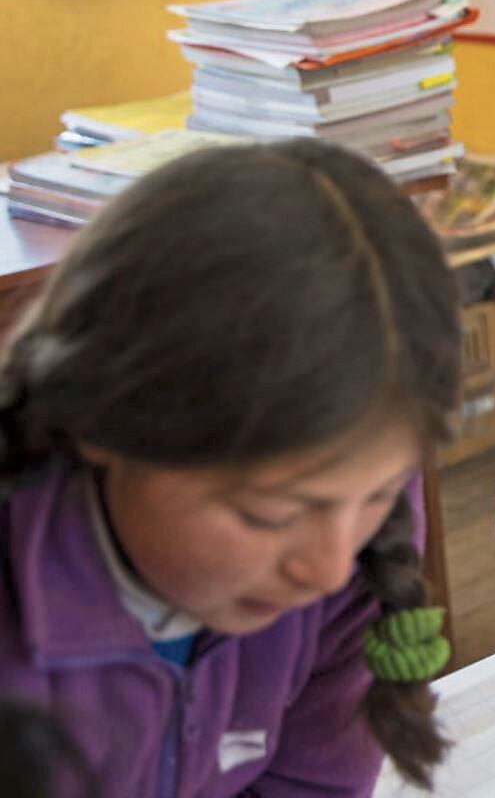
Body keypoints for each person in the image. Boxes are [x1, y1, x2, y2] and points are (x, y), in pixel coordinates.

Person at [0, 139, 462, 793]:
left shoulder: (350, 526)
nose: (329, 569)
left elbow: (313, 784)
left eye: (380, 495)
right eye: (266, 514)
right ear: (101, 421)